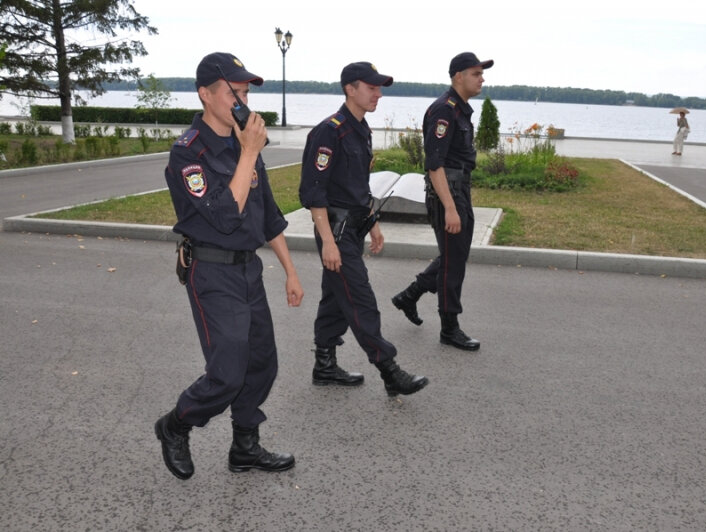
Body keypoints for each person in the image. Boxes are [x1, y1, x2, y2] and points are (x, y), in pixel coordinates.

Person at [154, 52, 304, 480]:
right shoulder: (187, 154)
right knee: (227, 371)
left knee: (262, 362)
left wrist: (291, 271)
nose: (243, 102)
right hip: (212, 271)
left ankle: (245, 447)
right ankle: (176, 424)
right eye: (234, 93)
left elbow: (268, 215)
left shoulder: (245, 148)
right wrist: (247, 153)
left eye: (245, 94)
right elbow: (224, 214)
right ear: (205, 94)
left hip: (247, 269)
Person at [298, 61, 429, 396]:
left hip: (353, 229)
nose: (378, 94)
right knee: (360, 300)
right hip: (336, 232)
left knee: (335, 298)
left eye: (379, 88)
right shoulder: (330, 131)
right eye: (371, 88)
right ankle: (390, 370)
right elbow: (314, 193)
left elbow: (358, 187)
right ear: (350, 89)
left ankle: (324, 365)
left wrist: (373, 224)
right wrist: (327, 241)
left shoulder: (361, 129)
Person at [391, 52, 493, 351]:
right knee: (453, 264)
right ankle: (449, 328)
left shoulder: (461, 110)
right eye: (476, 73)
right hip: (446, 193)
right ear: (458, 76)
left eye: (481, 73)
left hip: (460, 189)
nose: (482, 78)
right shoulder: (443, 111)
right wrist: (449, 207)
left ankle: (409, 295)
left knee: (455, 256)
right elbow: (434, 165)